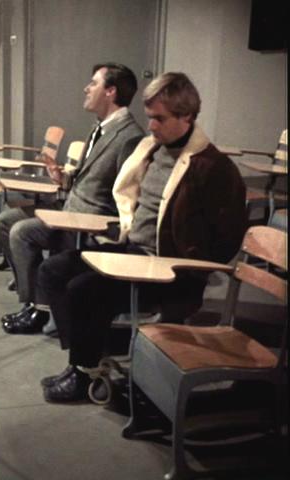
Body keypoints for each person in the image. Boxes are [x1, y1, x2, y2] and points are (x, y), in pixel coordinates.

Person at [36, 72, 248, 402]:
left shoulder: (213, 168)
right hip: (132, 251)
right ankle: (87, 358)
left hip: (171, 272)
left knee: (85, 290)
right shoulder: (152, 150)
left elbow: (228, 239)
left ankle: (84, 373)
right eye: (149, 117)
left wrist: (189, 262)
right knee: (54, 270)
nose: (150, 126)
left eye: (159, 119)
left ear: (187, 117)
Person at [0, 63, 144, 334]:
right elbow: (88, 179)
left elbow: (126, 196)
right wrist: (62, 177)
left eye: (93, 83)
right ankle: (35, 302)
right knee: (6, 221)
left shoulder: (130, 137)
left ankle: (40, 310)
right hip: (68, 209)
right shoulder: (99, 128)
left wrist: (99, 224)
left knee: (21, 232)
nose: (86, 89)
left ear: (110, 91)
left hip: (91, 223)